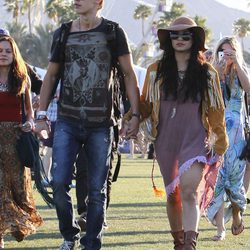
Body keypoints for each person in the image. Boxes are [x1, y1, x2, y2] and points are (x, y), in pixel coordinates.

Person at [34, 0, 140, 249]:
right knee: (58, 182)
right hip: (67, 121)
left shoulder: (113, 32)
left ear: (99, 2)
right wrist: (40, 115)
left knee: (96, 189)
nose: (75, 0)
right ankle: (70, 235)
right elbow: (50, 75)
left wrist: (135, 114)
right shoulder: (63, 33)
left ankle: (92, 243)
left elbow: (129, 74)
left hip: (102, 124)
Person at [124, 16, 229, 250]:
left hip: (195, 137)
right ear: (168, 39)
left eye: (185, 35)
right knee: (174, 195)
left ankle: (190, 245)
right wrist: (133, 118)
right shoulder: (155, 71)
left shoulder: (207, 73)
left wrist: (220, 141)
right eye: (175, 35)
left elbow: (215, 110)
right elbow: (146, 105)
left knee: (190, 191)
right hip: (165, 141)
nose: (180, 39)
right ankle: (179, 243)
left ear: (194, 39)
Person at [0, 34, 43, 249]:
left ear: (14, 53)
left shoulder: (22, 78)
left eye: (7, 51)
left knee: (17, 188)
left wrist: (30, 124)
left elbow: (29, 111)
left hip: (15, 140)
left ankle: (17, 222)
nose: (3, 54)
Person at [206, 36, 250, 241]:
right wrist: (217, 67)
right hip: (217, 131)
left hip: (237, 134)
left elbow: (248, 88)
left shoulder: (241, 70)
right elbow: (207, 93)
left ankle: (236, 212)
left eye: (230, 52)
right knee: (217, 180)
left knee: (235, 178)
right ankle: (220, 230)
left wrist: (237, 65)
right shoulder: (213, 70)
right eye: (223, 52)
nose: (226, 56)